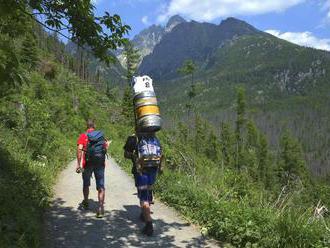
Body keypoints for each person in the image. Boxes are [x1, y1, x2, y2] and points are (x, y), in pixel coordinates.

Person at [124, 132, 163, 236]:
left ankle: (149, 224)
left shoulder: (134, 138)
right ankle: (144, 214)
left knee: (143, 196)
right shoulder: (154, 137)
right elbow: (160, 153)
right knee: (149, 192)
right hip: (153, 169)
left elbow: (126, 154)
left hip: (141, 171)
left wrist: (134, 156)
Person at [76, 119, 110, 218]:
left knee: (86, 183)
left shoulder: (83, 136)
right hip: (100, 163)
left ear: (86, 126)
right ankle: (100, 209)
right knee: (101, 185)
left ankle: (86, 202)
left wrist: (78, 164)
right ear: (94, 126)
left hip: (87, 163)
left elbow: (79, 151)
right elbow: (105, 148)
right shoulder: (101, 136)